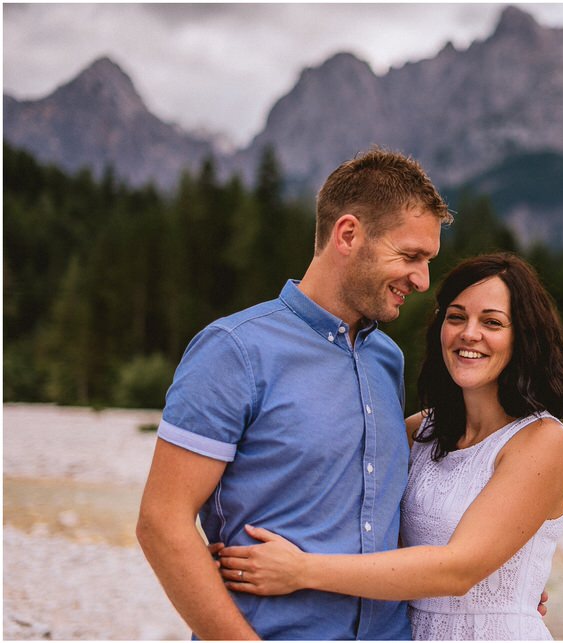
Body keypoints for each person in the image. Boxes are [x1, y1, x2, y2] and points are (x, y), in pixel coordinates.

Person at [136, 147, 452, 640]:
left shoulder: (386, 359)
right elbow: (161, 523)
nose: (422, 279)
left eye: (427, 260)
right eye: (410, 256)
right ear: (348, 234)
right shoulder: (234, 350)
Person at [213, 252, 563, 640]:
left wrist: (301, 571)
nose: (469, 333)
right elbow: (346, 514)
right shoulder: (416, 433)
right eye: (456, 317)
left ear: (525, 337)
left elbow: (457, 571)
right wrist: (227, 544)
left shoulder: (543, 442)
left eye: (492, 322)